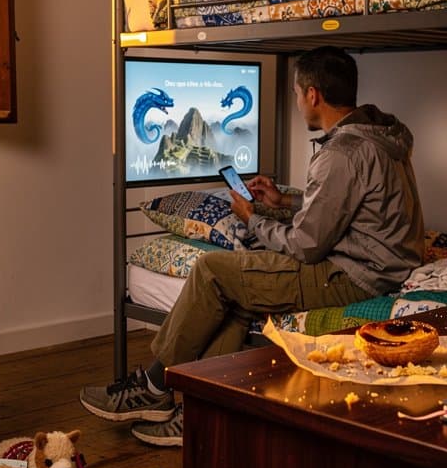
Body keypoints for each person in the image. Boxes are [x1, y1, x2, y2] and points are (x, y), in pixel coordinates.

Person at [81, 46, 425, 447]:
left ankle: (154, 387)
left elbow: (305, 247)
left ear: (313, 94)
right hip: (386, 264)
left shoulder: (342, 153)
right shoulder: (379, 135)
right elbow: (346, 205)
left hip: (355, 276)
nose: (297, 102)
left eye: (296, 93)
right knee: (237, 298)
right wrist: (283, 201)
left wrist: (252, 219)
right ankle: (200, 415)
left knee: (212, 270)